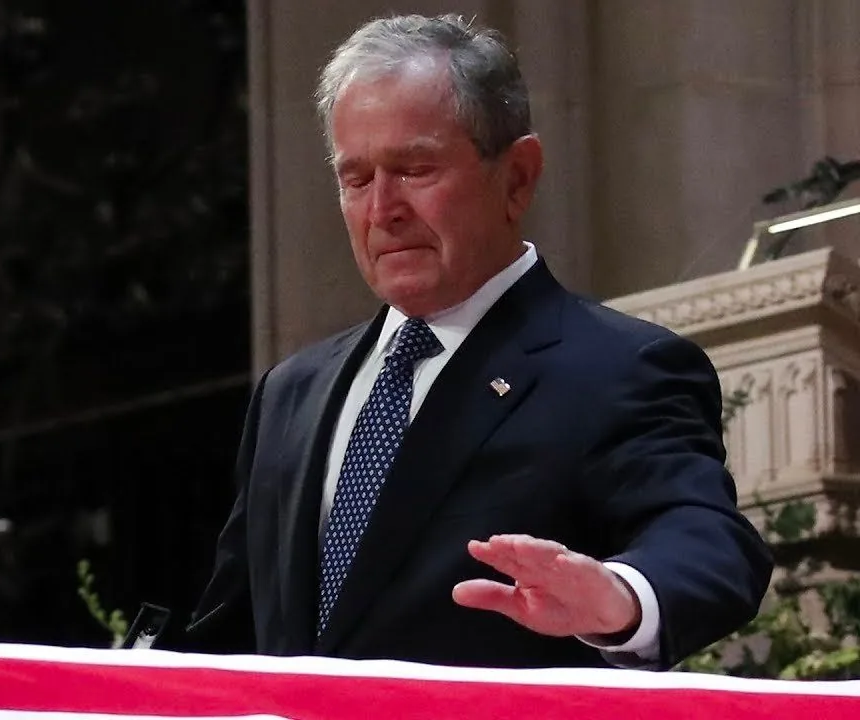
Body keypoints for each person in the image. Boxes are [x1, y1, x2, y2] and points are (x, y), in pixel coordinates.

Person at [185, 13, 772, 669]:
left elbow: (708, 544)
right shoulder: (290, 394)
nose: (382, 210)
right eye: (357, 179)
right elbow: (229, 638)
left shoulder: (620, 369)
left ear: (517, 176)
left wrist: (618, 596)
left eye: (415, 169)